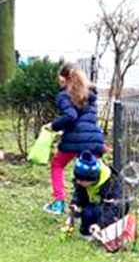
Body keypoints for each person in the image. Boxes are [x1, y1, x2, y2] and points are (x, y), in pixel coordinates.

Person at [43, 64, 106, 215]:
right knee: (92, 172)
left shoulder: (65, 95)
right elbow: (85, 119)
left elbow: (71, 116)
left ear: (64, 78)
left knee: (57, 164)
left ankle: (59, 202)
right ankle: (96, 203)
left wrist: (54, 126)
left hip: (73, 141)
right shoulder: (90, 94)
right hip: (93, 140)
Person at [69, 151, 126, 238]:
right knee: (88, 211)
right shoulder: (82, 182)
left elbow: (116, 207)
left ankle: (101, 232)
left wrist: (100, 225)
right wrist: (75, 205)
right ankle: (86, 232)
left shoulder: (111, 183)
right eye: (77, 179)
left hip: (111, 212)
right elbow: (79, 194)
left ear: (92, 179)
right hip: (94, 205)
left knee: (94, 212)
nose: (78, 182)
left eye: (81, 180)